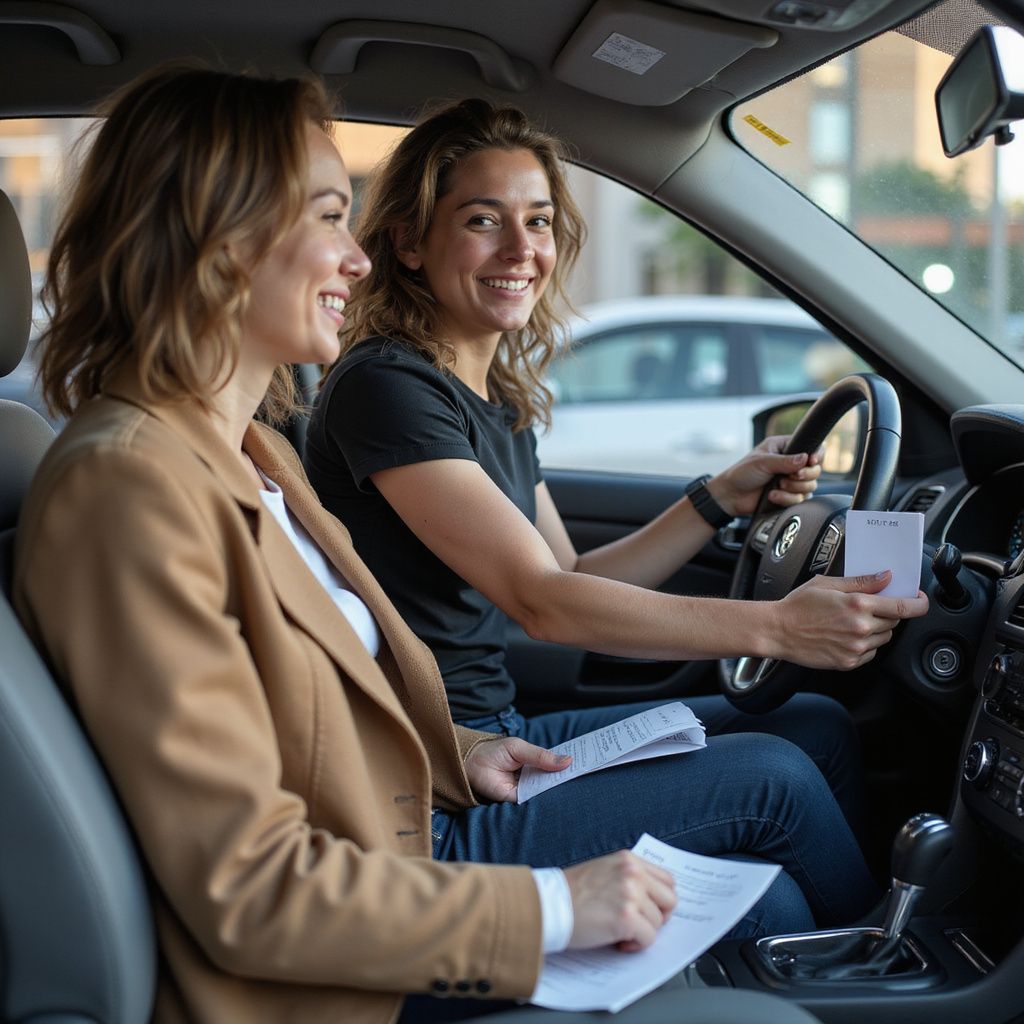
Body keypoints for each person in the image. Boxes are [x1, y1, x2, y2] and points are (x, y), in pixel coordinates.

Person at [13, 66, 707, 1024]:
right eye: (330, 217)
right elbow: (249, 888)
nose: (360, 259)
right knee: (775, 807)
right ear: (221, 238)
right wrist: (554, 905)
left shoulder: (252, 450)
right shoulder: (128, 489)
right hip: (332, 985)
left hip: (400, 854)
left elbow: (301, 716)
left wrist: (456, 749)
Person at [304, 98, 931, 927]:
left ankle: (851, 952)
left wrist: (716, 498)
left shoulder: (495, 396)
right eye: (483, 221)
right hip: (434, 778)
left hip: (493, 730)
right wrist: (776, 628)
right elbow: (542, 603)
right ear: (410, 241)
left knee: (811, 723)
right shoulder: (386, 387)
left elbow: (572, 577)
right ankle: (879, 973)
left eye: (538, 222)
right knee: (775, 781)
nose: (521, 250)